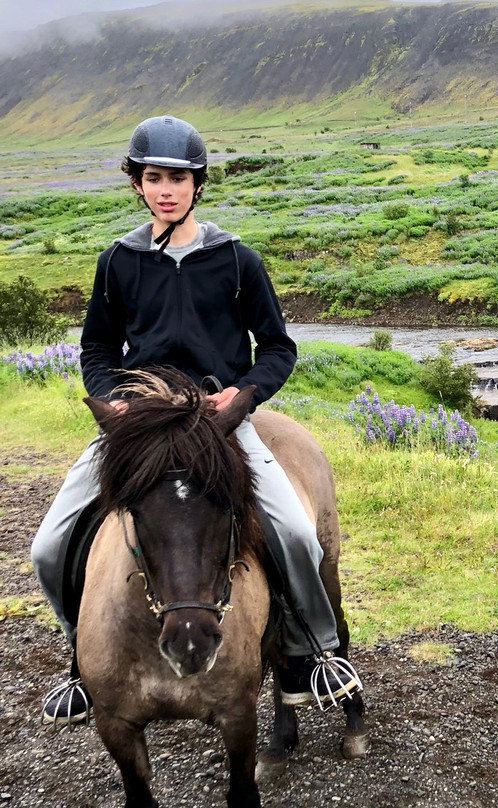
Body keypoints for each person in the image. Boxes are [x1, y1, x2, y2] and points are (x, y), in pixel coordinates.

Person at [31, 115, 361, 726]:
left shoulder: (236, 260)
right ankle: (81, 658)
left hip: (218, 420)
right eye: (154, 177)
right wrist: (113, 400)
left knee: (292, 530)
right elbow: (97, 350)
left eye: (178, 178)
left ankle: (312, 652)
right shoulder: (119, 262)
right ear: (137, 184)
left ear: (197, 185)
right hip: (142, 425)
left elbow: (278, 348)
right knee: (49, 544)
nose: (166, 189)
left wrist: (243, 396)